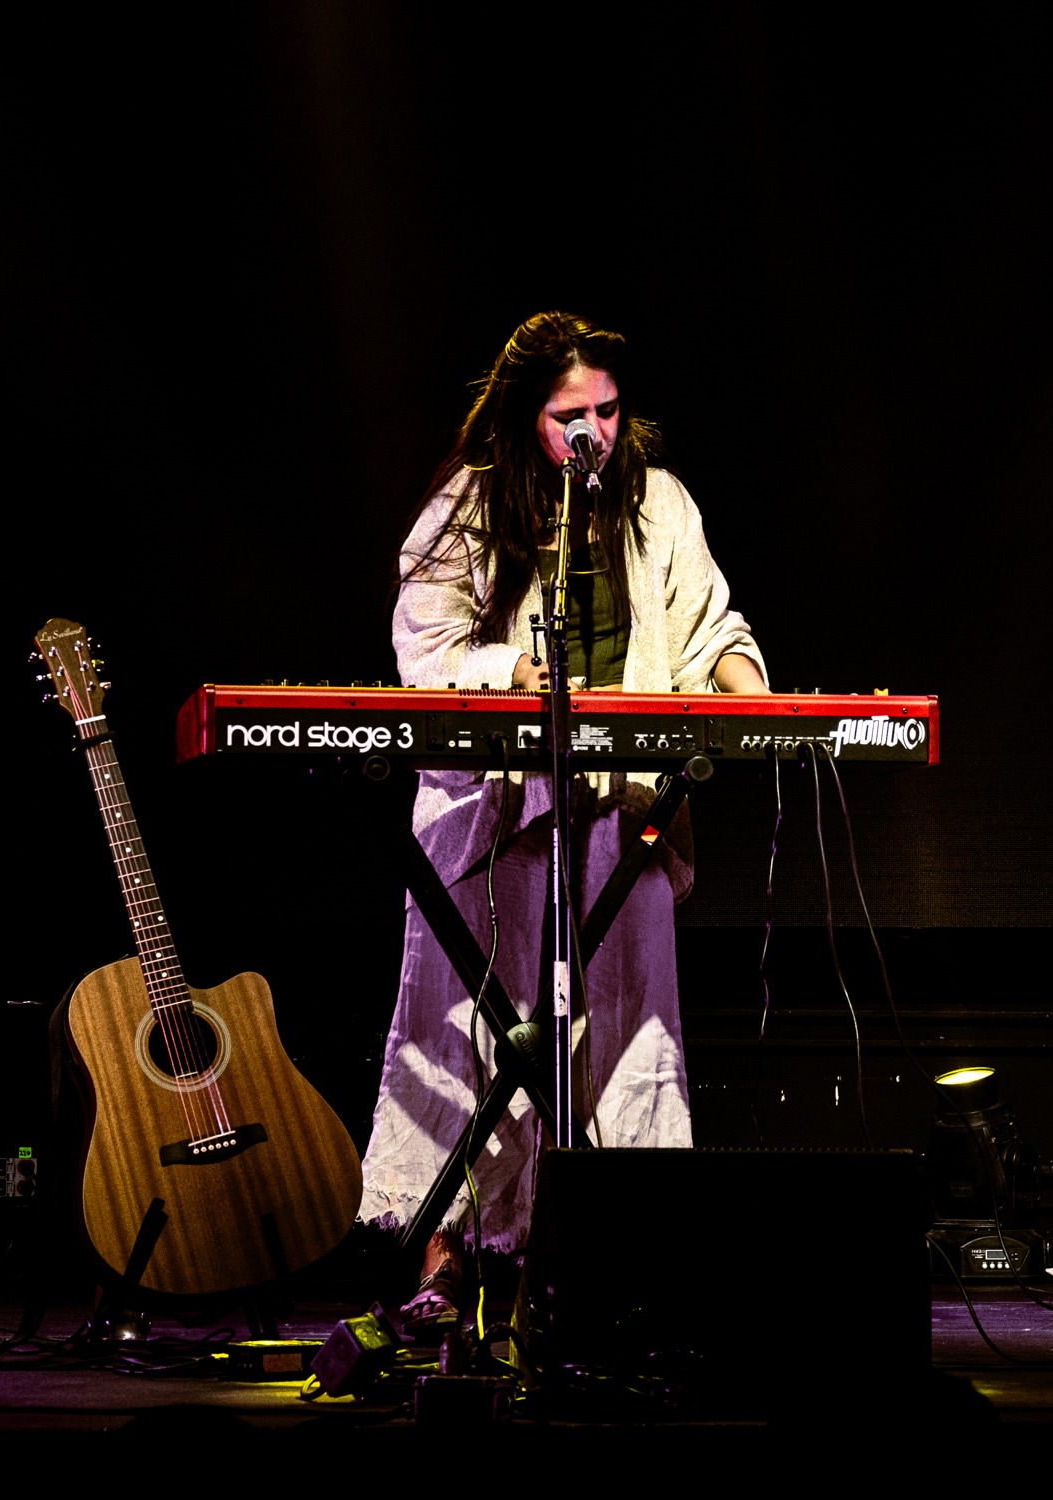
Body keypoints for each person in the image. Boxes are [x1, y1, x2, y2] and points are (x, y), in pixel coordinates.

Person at [359, 311, 768, 1328]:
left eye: (609, 411)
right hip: (494, 811)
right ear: (523, 417)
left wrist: (744, 687)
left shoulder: (659, 502)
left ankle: (612, 1259)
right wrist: (512, 671)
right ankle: (447, 1255)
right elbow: (426, 652)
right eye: (568, 416)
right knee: (466, 1028)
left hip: (617, 808)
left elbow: (710, 622)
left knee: (625, 1030)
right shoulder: (466, 508)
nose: (594, 432)